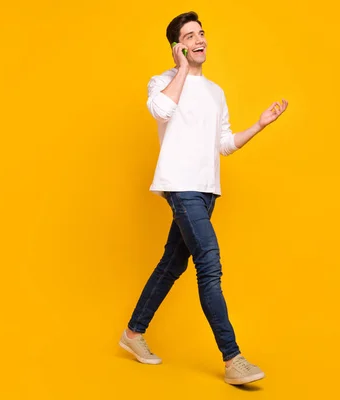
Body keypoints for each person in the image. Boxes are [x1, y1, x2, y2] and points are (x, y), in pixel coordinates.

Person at [119, 11, 288, 385]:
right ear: (178, 46)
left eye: (202, 33)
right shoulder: (163, 82)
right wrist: (180, 69)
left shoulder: (216, 92)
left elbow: (224, 144)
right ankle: (233, 358)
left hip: (208, 188)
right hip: (180, 185)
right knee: (209, 264)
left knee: (172, 264)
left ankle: (132, 333)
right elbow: (160, 110)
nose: (200, 40)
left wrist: (259, 125)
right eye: (190, 36)